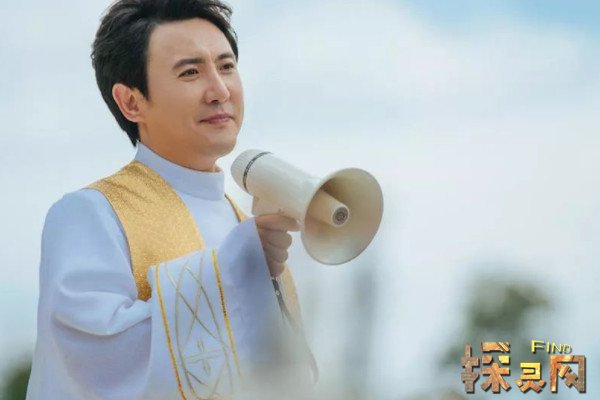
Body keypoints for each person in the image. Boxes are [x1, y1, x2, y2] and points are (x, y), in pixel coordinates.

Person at [26, 1, 312, 399]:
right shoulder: (90, 213)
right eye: (190, 72)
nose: (220, 90)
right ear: (131, 102)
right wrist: (236, 267)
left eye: (226, 66)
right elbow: (91, 360)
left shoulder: (241, 222)